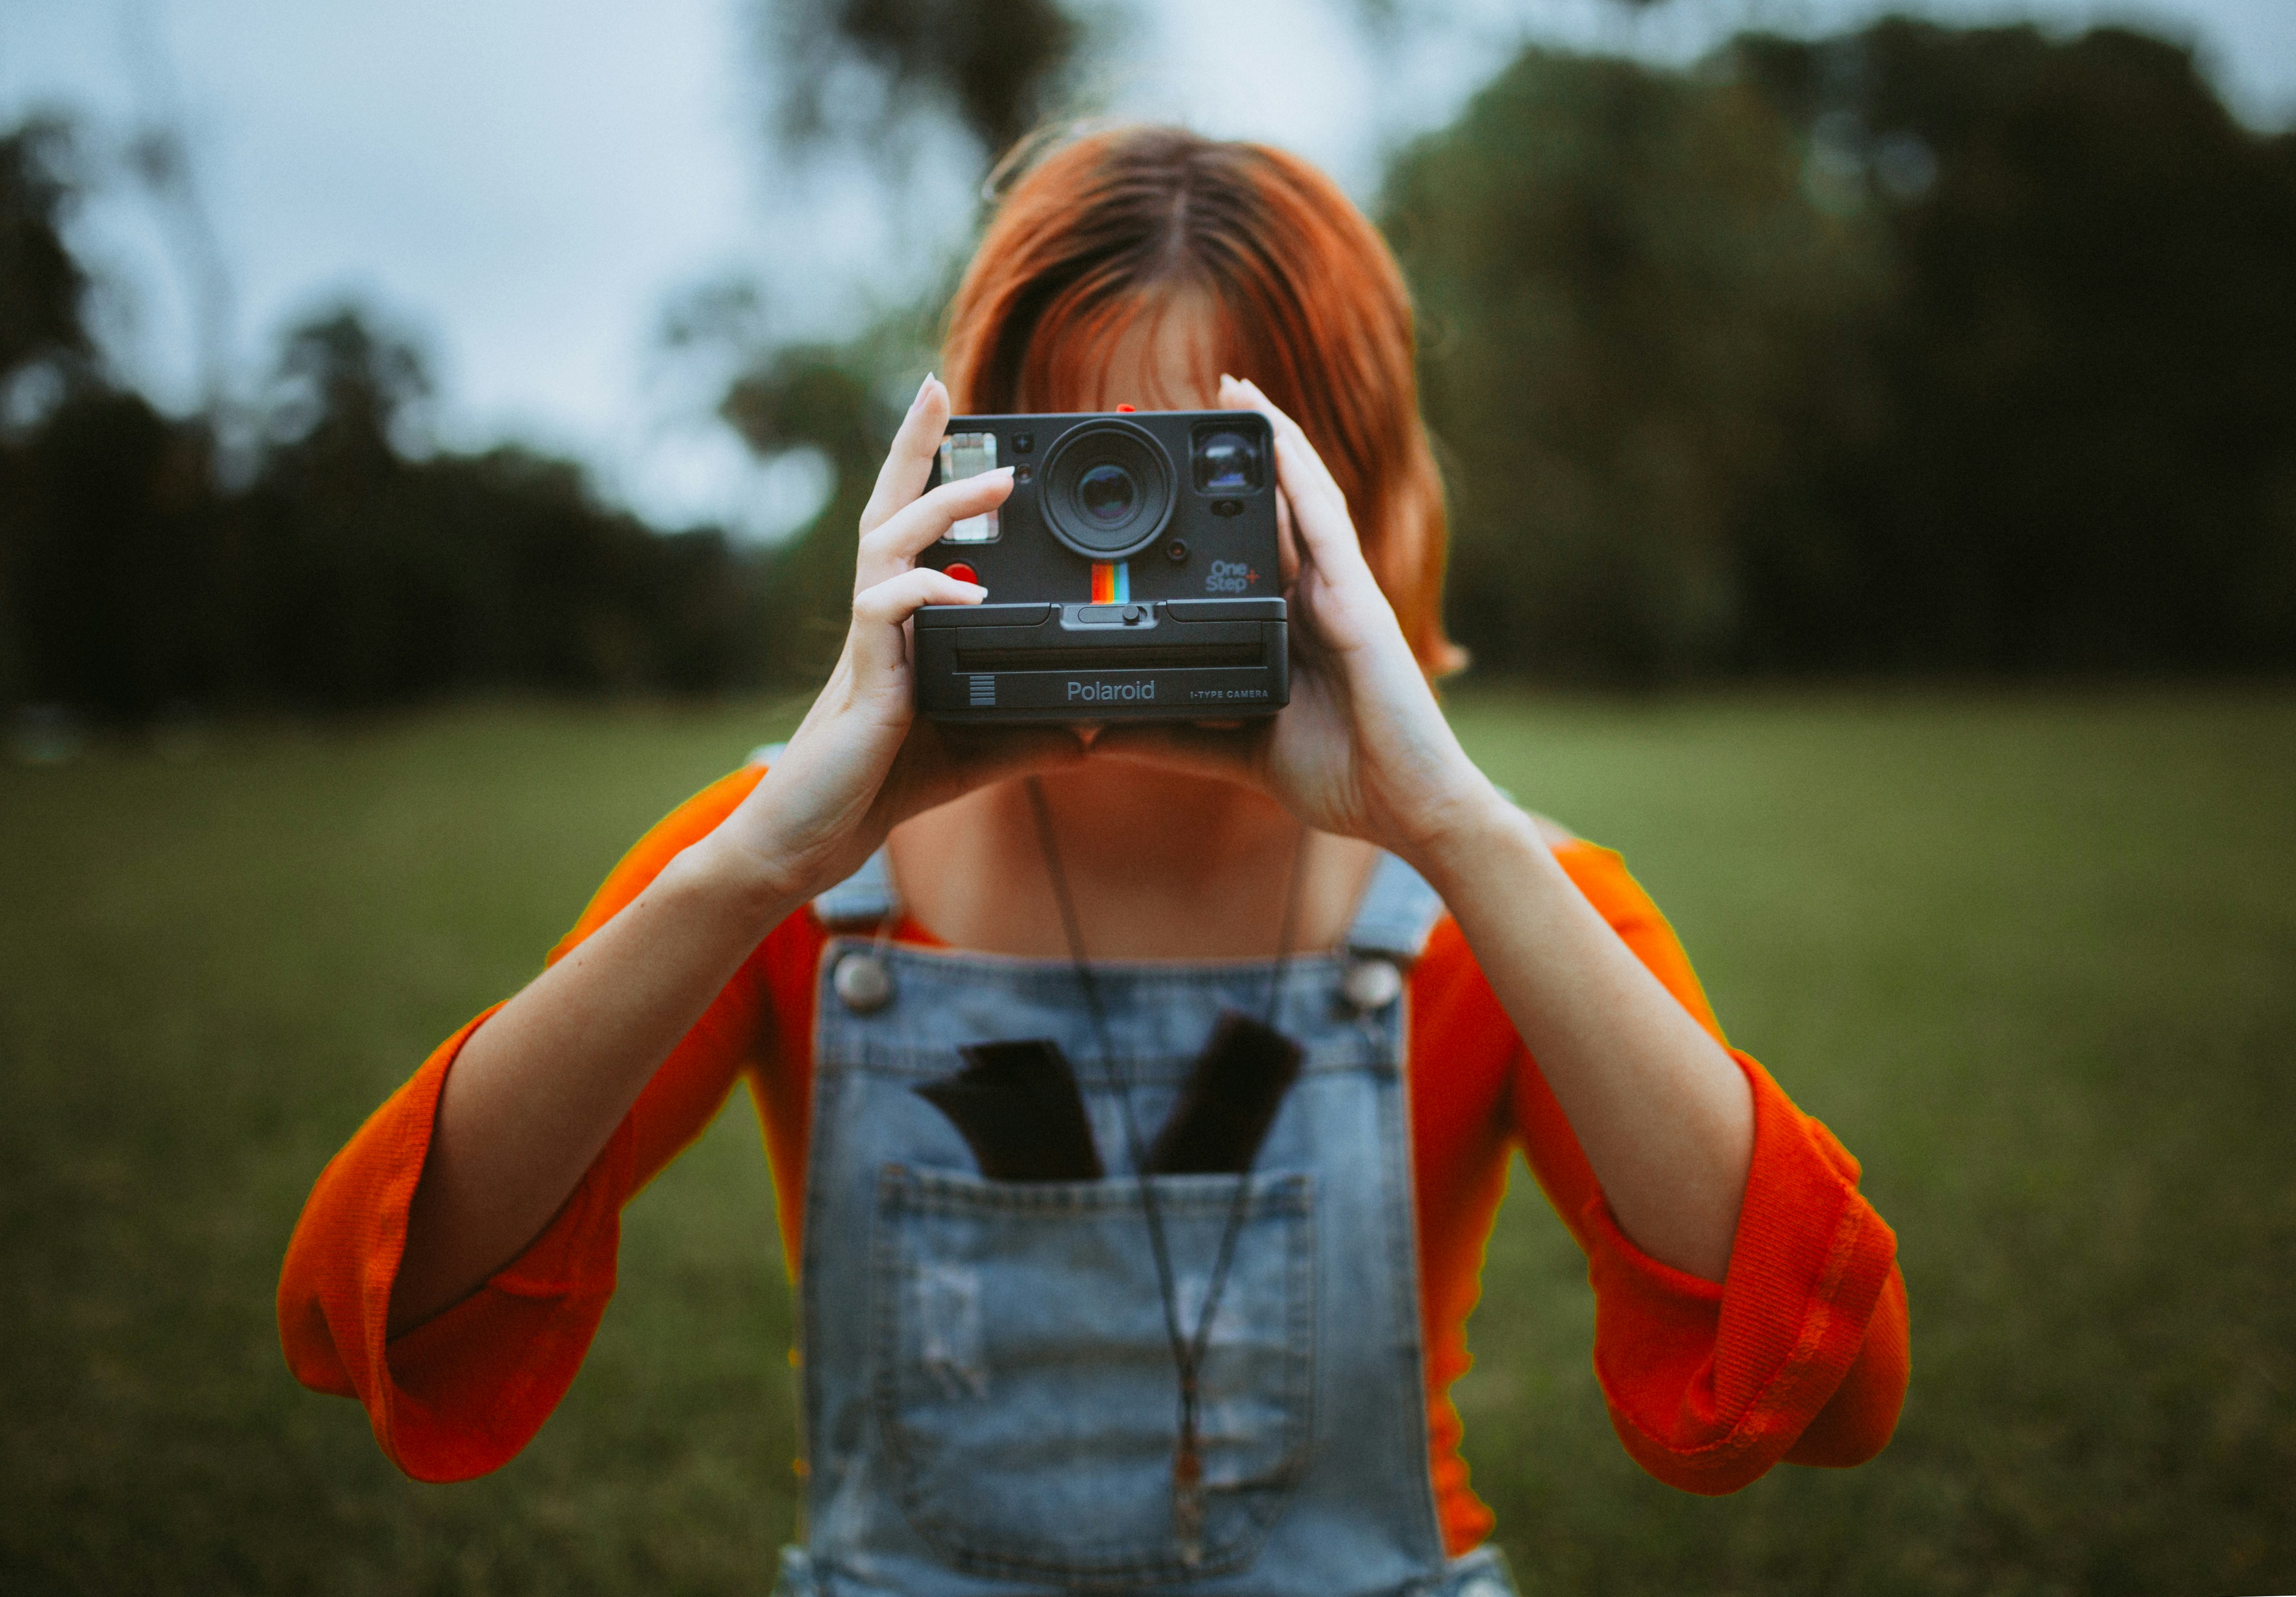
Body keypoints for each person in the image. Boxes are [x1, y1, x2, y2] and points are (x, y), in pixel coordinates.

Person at [280, 126, 1908, 1596]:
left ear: (1357, 497)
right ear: (949, 479)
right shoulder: (784, 871)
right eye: (1074, 478)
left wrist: (1457, 830)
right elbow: (380, 1306)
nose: (1124, 561)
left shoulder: (1489, 897)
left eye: (1207, 483)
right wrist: (756, 861)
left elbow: (1828, 1388)